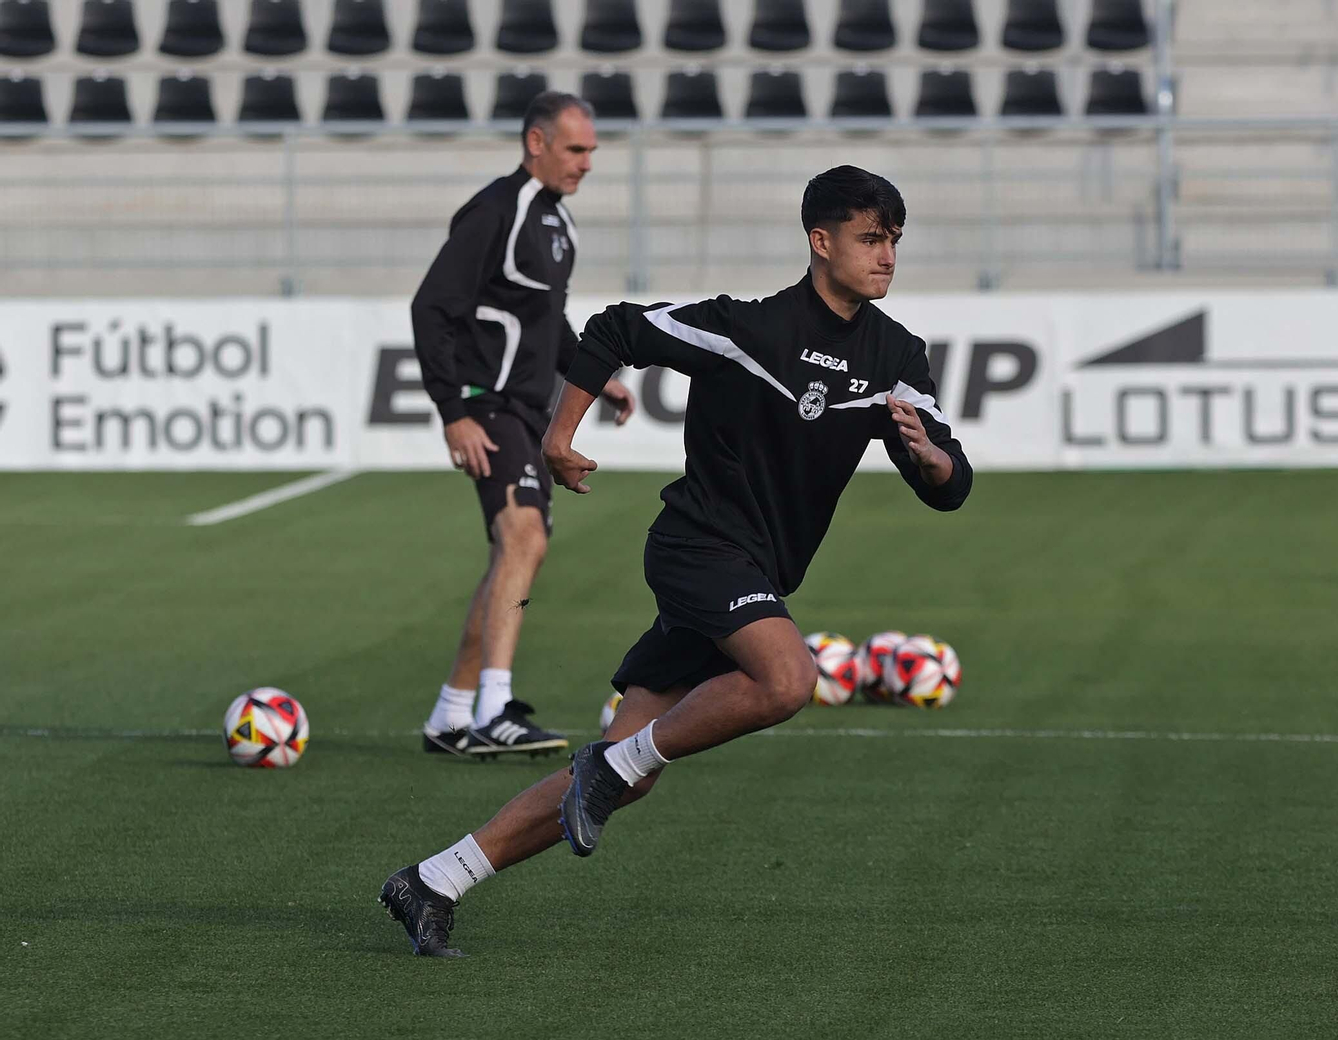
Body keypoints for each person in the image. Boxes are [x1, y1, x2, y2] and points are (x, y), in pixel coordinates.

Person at [381, 165, 973, 956]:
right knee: (789, 678)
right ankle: (610, 765)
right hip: (698, 549)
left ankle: (434, 880)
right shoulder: (747, 329)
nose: (887, 255)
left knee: (625, 772)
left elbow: (948, 478)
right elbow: (615, 328)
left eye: (895, 240)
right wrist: (558, 438)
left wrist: (931, 459)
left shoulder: (895, 356)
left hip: (756, 575)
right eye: (871, 238)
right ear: (820, 241)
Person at [409, 91, 636, 760]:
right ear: (535, 143)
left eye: (592, 150)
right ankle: (495, 710)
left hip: (523, 408)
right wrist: (454, 411)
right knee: (525, 537)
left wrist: (599, 379)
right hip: (488, 404)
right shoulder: (495, 213)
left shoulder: (556, 223)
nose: (587, 162)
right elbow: (432, 309)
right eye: (575, 149)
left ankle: (452, 715)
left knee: (514, 552)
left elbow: (548, 325)